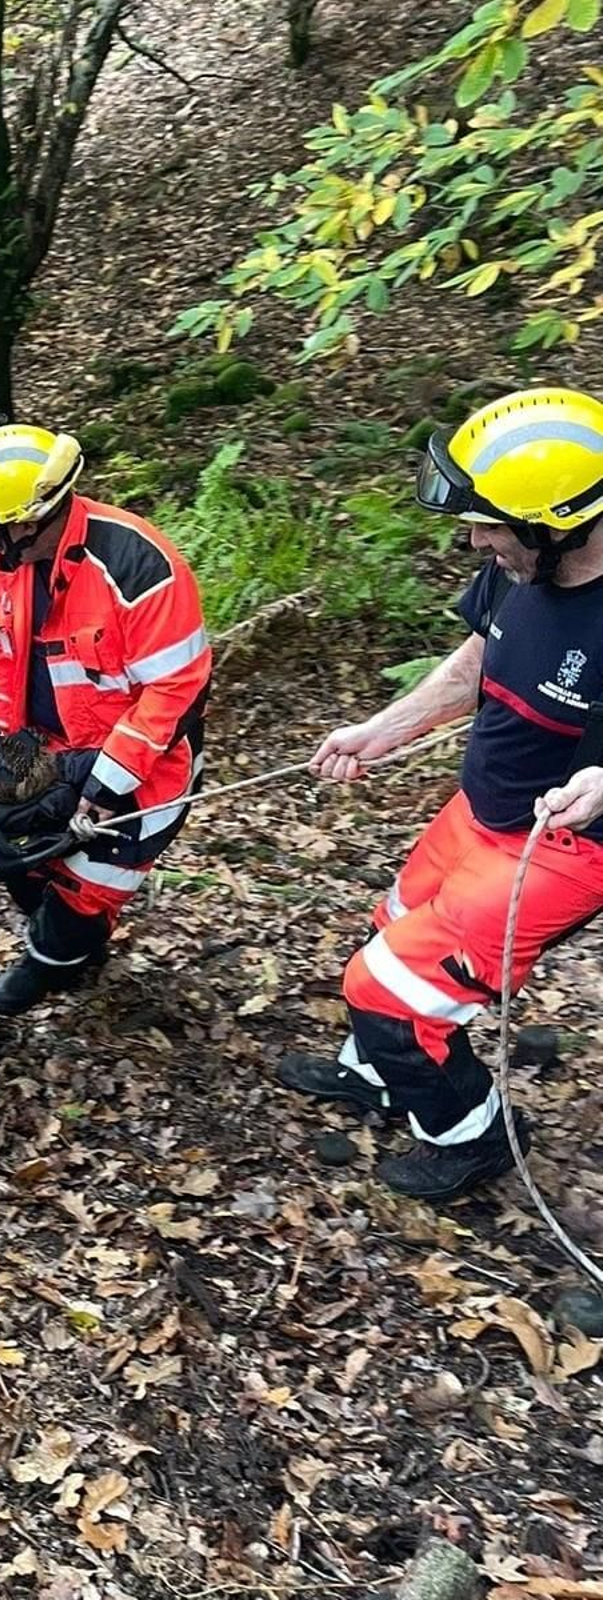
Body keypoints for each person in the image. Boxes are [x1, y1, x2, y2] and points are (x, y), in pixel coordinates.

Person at [282, 386, 603, 1202]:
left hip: (562, 846)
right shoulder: (520, 570)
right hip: (483, 804)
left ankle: (472, 1137)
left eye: (491, 525)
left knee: (390, 992)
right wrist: (381, 730)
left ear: (560, 522)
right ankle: (380, 1073)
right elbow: (476, 661)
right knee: (390, 928)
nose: (475, 540)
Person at [0, 422, 212, 1014]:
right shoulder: (9, 561)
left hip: (143, 767)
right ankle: (61, 940)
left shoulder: (136, 568)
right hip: (46, 751)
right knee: (21, 865)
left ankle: (54, 961)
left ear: (27, 521)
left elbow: (176, 691)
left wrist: (108, 785)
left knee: (88, 888)